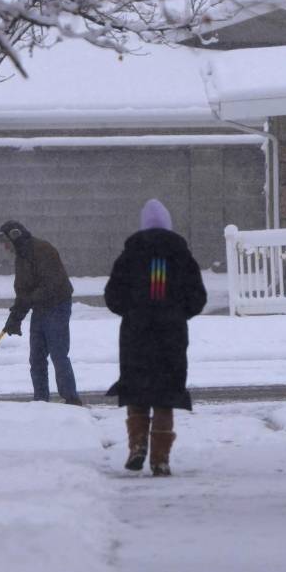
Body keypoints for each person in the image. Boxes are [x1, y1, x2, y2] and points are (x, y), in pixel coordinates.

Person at [104, 199, 206, 476]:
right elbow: (198, 298)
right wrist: (175, 312)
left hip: (136, 336)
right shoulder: (182, 257)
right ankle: (160, 459)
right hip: (170, 336)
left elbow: (112, 297)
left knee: (137, 391)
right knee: (165, 395)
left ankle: (137, 447)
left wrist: (135, 311)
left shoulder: (129, 256)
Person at [0, 220, 83, 406]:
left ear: (15, 236)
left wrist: (29, 300)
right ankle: (40, 401)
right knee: (36, 357)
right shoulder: (21, 257)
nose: (4, 247)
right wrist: (15, 317)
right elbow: (22, 290)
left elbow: (52, 284)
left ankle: (71, 398)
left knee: (58, 354)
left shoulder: (43, 250)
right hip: (40, 308)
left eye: (5, 242)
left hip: (57, 306)